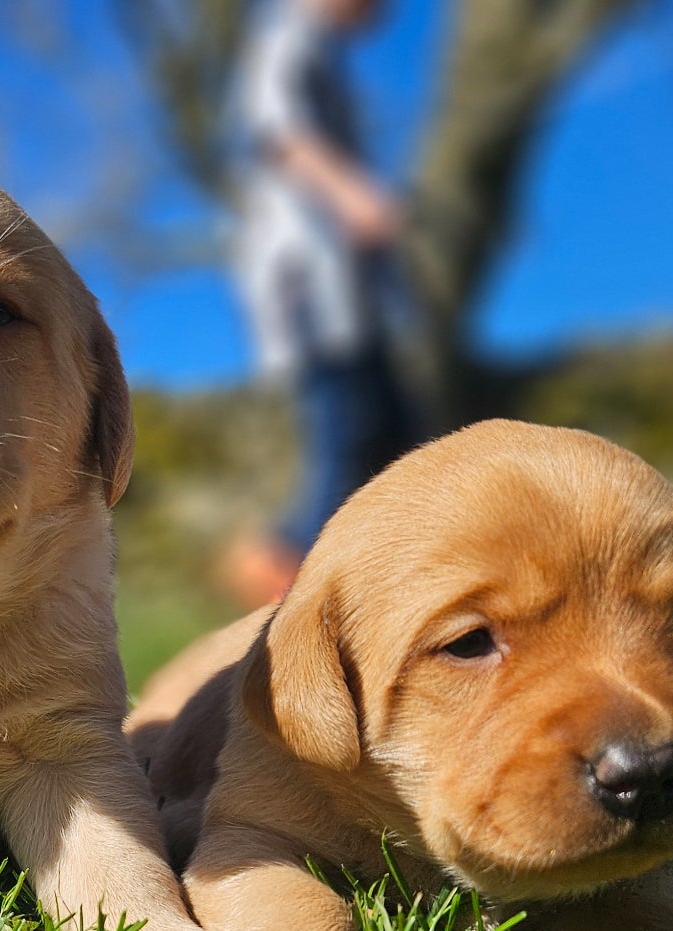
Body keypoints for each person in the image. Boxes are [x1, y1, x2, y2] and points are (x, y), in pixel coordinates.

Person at [223, 0, 419, 607]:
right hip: (312, 286)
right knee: (350, 436)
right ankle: (294, 583)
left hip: (352, 294)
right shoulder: (286, 38)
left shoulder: (324, 55)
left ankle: (331, 575)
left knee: (399, 438)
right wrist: (353, 193)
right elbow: (278, 131)